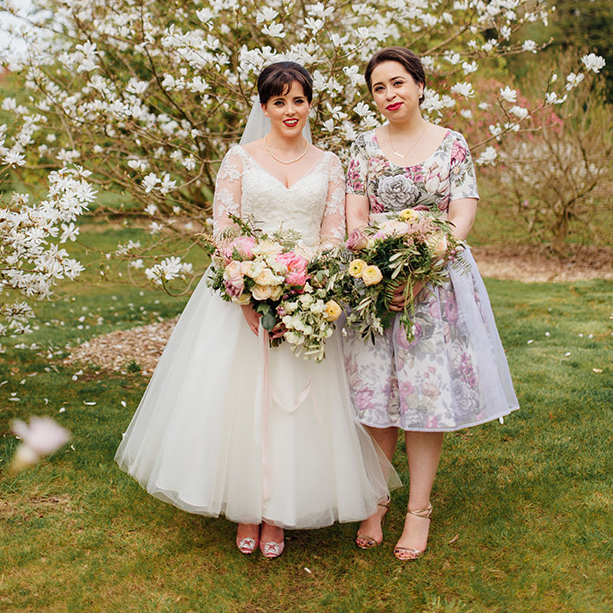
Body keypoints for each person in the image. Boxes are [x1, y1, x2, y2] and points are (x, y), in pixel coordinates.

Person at [115, 61, 397, 559]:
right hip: (240, 297)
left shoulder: (330, 164)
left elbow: (332, 231)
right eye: (279, 101)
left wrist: (307, 286)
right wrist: (249, 293)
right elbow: (224, 229)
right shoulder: (239, 158)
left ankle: (277, 514)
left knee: (294, 404)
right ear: (264, 107)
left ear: (310, 104)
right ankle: (246, 508)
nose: (290, 110)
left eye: (299, 100)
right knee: (241, 401)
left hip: (307, 296)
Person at [342, 46, 518, 561]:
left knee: (423, 397)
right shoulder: (361, 147)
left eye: (398, 83)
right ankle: (375, 500)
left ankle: (417, 511)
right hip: (373, 284)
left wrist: (423, 266)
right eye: (378, 87)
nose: (389, 95)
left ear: (420, 85)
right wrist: (375, 261)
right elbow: (355, 217)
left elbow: (461, 215)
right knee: (376, 397)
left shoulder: (452, 144)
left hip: (435, 288)